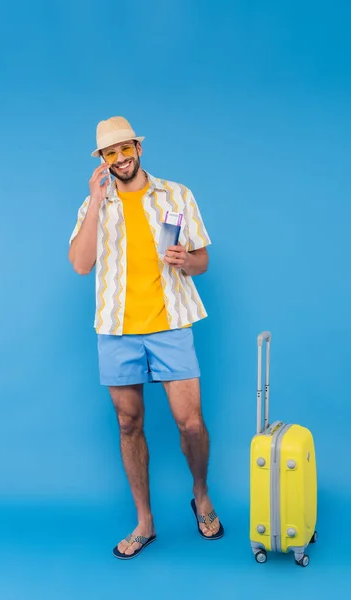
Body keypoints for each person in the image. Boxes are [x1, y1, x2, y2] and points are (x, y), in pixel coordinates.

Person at [68, 116, 224, 560]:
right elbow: (81, 264)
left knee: (190, 422)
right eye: (109, 154)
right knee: (128, 424)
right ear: (102, 160)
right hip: (117, 330)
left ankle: (202, 494)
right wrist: (96, 202)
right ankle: (145, 522)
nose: (119, 159)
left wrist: (185, 259)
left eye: (125, 149)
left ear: (138, 146)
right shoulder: (93, 205)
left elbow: (203, 261)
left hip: (170, 321)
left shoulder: (177, 195)